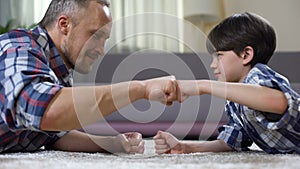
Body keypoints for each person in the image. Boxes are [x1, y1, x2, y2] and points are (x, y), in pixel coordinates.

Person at [0, 0, 178, 153]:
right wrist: (142, 89)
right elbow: (44, 110)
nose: (101, 50)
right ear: (64, 25)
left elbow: (54, 135)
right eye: (96, 35)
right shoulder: (18, 48)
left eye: (104, 40)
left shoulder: (58, 71)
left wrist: (112, 143)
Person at [154, 12, 300, 154]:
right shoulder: (234, 101)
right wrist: (185, 147)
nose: (212, 65)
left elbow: (279, 103)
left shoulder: (257, 75)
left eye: (219, 56)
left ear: (246, 55)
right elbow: (231, 141)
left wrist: (203, 86)